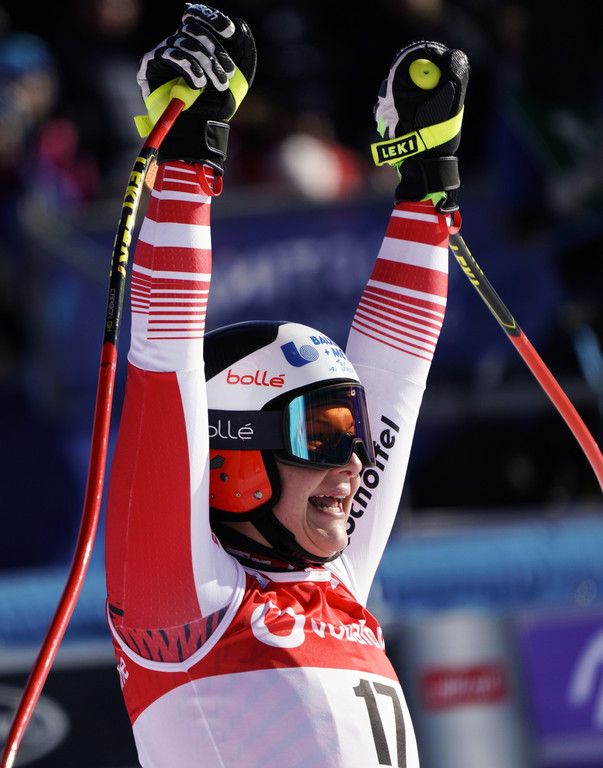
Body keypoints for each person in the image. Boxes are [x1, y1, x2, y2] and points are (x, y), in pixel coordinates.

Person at [105, 4, 469, 766]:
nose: (356, 464)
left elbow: (397, 366)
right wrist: (191, 151)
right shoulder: (184, 608)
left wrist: (425, 180)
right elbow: (164, 352)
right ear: (228, 456)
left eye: (353, 435)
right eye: (324, 435)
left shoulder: (333, 579)